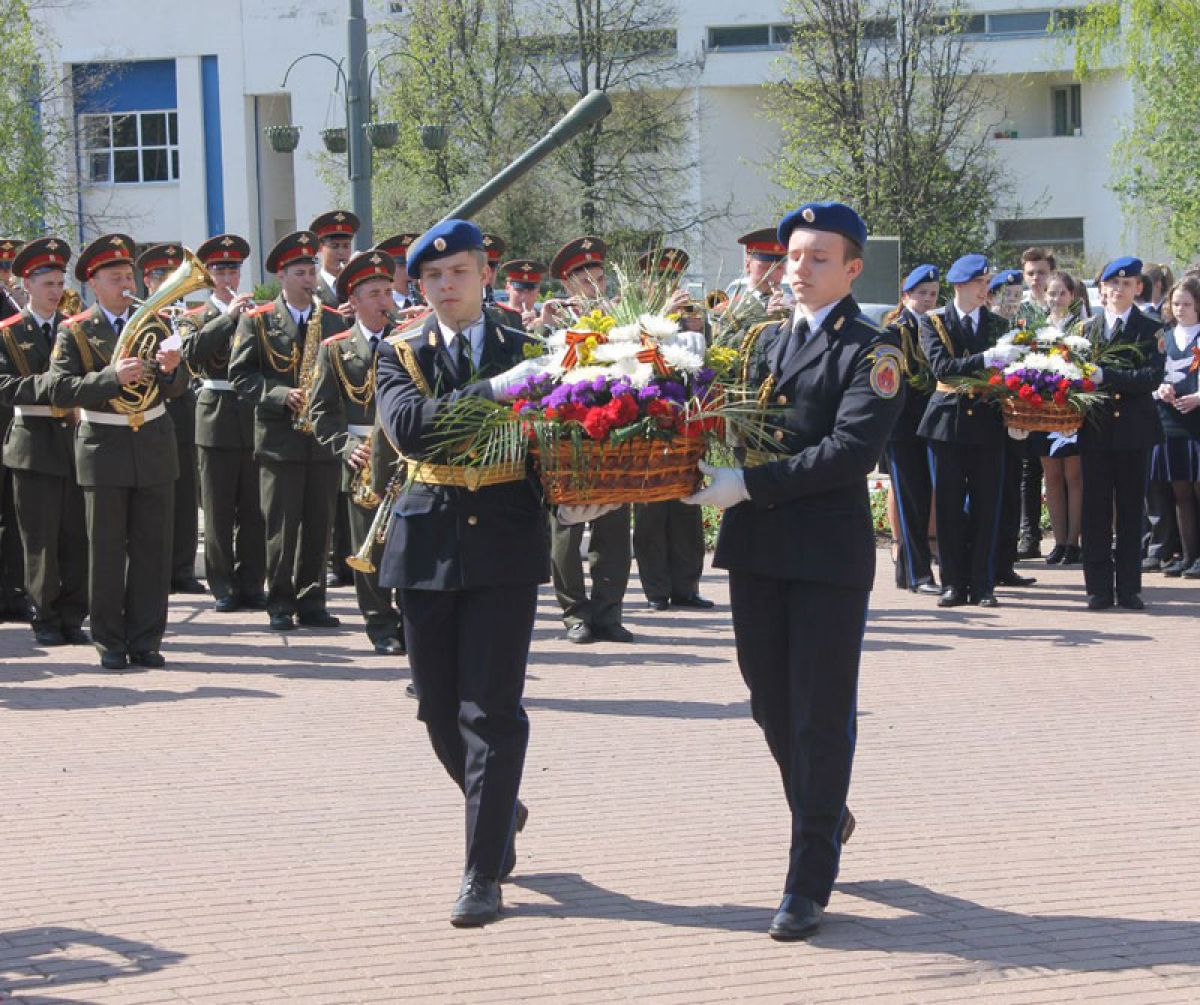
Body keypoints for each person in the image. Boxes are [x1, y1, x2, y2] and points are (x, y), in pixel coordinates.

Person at [681, 202, 902, 940]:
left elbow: (850, 451)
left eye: (816, 258)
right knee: (769, 702)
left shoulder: (874, 348)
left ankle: (808, 876)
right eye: (792, 256)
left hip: (825, 555)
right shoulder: (763, 343)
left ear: (851, 267)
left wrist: (746, 484)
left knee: (818, 713)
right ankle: (824, 808)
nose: (798, 270)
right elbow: (727, 419)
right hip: (759, 552)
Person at [374, 219, 548, 927]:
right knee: (437, 707)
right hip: (427, 543)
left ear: (485, 274)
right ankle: (497, 800)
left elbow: (550, 440)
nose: (447, 287)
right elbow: (413, 431)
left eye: (460, 273)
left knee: (491, 712)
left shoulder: (531, 349)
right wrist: (498, 395)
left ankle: (482, 871)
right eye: (433, 278)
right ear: (419, 286)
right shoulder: (398, 352)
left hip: (505, 542)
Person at [47, 233, 188, 670]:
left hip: (153, 444)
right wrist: (110, 378)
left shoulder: (157, 323)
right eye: (116, 277)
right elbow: (59, 388)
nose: (127, 284)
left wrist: (172, 370)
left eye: (129, 276)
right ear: (94, 283)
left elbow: (180, 388)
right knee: (106, 551)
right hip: (103, 446)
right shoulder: (74, 329)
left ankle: (146, 639)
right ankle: (109, 640)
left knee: (152, 550)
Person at [228, 230, 347, 631]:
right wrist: (280, 394)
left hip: (322, 440)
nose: (309, 280)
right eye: (300, 272)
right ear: (281, 276)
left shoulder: (331, 319)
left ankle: (312, 601)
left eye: (311, 271)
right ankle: (279, 601)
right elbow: (241, 376)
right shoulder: (257, 320)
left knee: (319, 524)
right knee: (281, 525)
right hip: (280, 440)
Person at [309, 250, 405, 655]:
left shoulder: (408, 339)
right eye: (375, 293)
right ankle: (381, 624)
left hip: (408, 453)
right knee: (370, 546)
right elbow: (320, 412)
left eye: (388, 291)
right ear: (355, 300)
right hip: (366, 456)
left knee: (411, 542)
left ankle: (413, 620)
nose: (386, 300)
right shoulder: (335, 348)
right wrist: (347, 447)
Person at [544, 236, 633, 644]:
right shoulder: (552, 323)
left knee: (613, 526)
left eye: (600, 281)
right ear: (568, 286)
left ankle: (608, 612)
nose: (596, 291)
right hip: (568, 437)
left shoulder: (622, 320)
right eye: (586, 282)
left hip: (614, 433)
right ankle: (574, 613)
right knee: (567, 527)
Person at [0, 237, 88, 647]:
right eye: (47, 283)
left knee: (76, 536)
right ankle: (45, 616)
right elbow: (5, 385)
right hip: (33, 443)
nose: (55, 291)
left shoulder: (79, 328)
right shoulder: (9, 333)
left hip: (76, 442)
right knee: (39, 538)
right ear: (27, 285)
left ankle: (73, 615)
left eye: (59, 282)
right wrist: (51, 386)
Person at [918, 254, 1017, 608]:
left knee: (987, 506)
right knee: (947, 508)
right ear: (960, 285)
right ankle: (953, 584)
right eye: (979, 284)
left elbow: (1011, 375)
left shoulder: (996, 324)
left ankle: (983, 583)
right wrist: (988, 359)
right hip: (949, 422)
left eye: (986, 284)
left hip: (988, 422)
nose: (984, 290)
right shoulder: (935, 323)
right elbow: (944, 369)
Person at [177, 233, 267, 612]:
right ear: (208, 274)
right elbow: (191, 355)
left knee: (253, 509)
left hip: (253, 415)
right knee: (216, 509)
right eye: (220, 269)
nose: (229, 276)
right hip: (214, 415)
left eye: (234, 268)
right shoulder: (192, 316)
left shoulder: (259, 314)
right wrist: (229, 320)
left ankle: (251, 583)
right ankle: (222, 585)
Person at [1078, 256, 1166, 610]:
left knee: (1130, 511)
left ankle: (1128, 587)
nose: (1118, 290)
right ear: (1101, 289)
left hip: (1133, 430)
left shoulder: (1150, 329)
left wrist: (1107, 377)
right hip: (1096, 430)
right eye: (1112, 284)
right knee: (1096, 511)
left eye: (1126, 285)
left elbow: (1151, 378)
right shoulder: (1087, 330)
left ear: (1137, 289)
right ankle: (1097, 587)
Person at [631, 247, 712, 611]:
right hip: (647, 420)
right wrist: (662, 317)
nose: (671, 288)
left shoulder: (690, 317)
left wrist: (700, 327)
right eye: (661, 279)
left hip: (685, 423)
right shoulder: (635, 311)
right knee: (651, 508)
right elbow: (628, 351)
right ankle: (656, 589)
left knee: (686, 504)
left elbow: (708, 360)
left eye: (673, 280)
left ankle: (687, 586)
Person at [137, 243, 205, 595]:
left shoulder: (182, 319)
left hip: (180, 409)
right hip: (145, 413)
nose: (166, 283)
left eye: (170, 275)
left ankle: (182, 568)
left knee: (184, 492)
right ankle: (158, 569)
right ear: (147, 281)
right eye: (159, 276)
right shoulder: (138, 321)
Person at [882, 264, 940, 593]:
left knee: (922, 496)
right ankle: (919, 574)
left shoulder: (934, 325)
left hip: (927, 424)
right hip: (903, 426)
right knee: (909, 500)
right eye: (921, 294)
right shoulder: (895, 329)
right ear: (906, 296)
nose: (928, 300)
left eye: (932, 294)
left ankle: (908, 573)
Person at [990, 268, 1039, 588]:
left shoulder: (1023, 329)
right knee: (989, 495)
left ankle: (1005, 562)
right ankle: (986, 561)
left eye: (1016, 296)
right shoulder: (988, 327)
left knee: (1010, 493)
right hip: (988, 424)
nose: (1012, 302)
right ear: (991, 296)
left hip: (1016, 423)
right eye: (1006, 296)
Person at [1149, 276, 1200, 578]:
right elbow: (1155, 375)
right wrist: (1162, 389)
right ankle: (1188, 554)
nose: (1180, 309)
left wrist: (1197, 397)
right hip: (1171, 420)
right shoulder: (1163, 336)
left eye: (1187, 304)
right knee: (1179, 489)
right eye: (1176, 303)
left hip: (1197, 420)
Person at [1038, 271, 1090, 565]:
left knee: (1074, 475)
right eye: (1051, 293)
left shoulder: (1081, 328)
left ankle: (1073, 541)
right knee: (1052, 476)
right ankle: (1058, 541)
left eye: (1062, 293)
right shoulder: (1037, 329)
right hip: (1044, 411)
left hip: (1071, 410)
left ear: (1072, 296)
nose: (1056, 299)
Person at [0, 236, 30, 621]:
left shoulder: (13, 306)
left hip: (11, 418)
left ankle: (13, 591)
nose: (5, 276)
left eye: (8, 268)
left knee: (13, 508)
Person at [725, 228, 786, 307]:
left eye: (778, 267)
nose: (772, 274)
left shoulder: (792, 306)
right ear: (748, 265)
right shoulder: (730, 307)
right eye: (765, 267)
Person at [311, 210, 359, 309]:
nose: (341, 252)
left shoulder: (358, 286)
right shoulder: (311, 288)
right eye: (334, 246)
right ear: (320, 248)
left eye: (346, 246)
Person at [373, 232, 422, 310]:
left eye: (413, 264)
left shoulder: (429, 302)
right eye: (402, 265)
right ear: (388, 270)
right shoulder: (378, 306)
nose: (409, 271)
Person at [500, 259, 547, 329]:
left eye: (530, 290)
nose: (524, 296)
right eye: (519, 290)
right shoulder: (498, 317)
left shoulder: (542, 318)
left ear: (538, 292)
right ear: (507, 288)